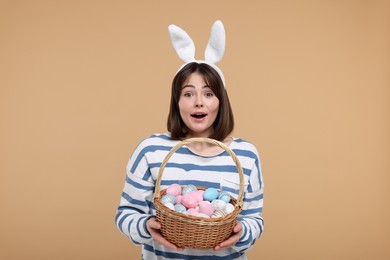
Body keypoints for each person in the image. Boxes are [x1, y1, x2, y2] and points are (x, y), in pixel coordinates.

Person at [115, 21, 264, 259]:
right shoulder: (151, 150)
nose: (198, 102)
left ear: (220, 102)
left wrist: (241, 231)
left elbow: (254, 220)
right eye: (188, 93)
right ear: (177, 102)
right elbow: (125, 214)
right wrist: (147, 227)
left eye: (208, 93)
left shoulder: (245, 155)